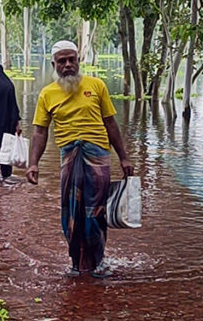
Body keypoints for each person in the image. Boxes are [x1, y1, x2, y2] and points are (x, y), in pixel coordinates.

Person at [26, 40, 134, 278]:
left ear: (78, 60)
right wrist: (33, 163)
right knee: (70, 211)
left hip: (98, 157)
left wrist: (124, 158)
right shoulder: (47, 94)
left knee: (95, 211)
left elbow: (110, 123)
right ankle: (77, 263)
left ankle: (97, 262)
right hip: (69, 158)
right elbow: (40, 132)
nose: (67, 65)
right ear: (54, 64)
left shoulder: (96, 85)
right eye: (62, 61)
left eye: (71, 60)